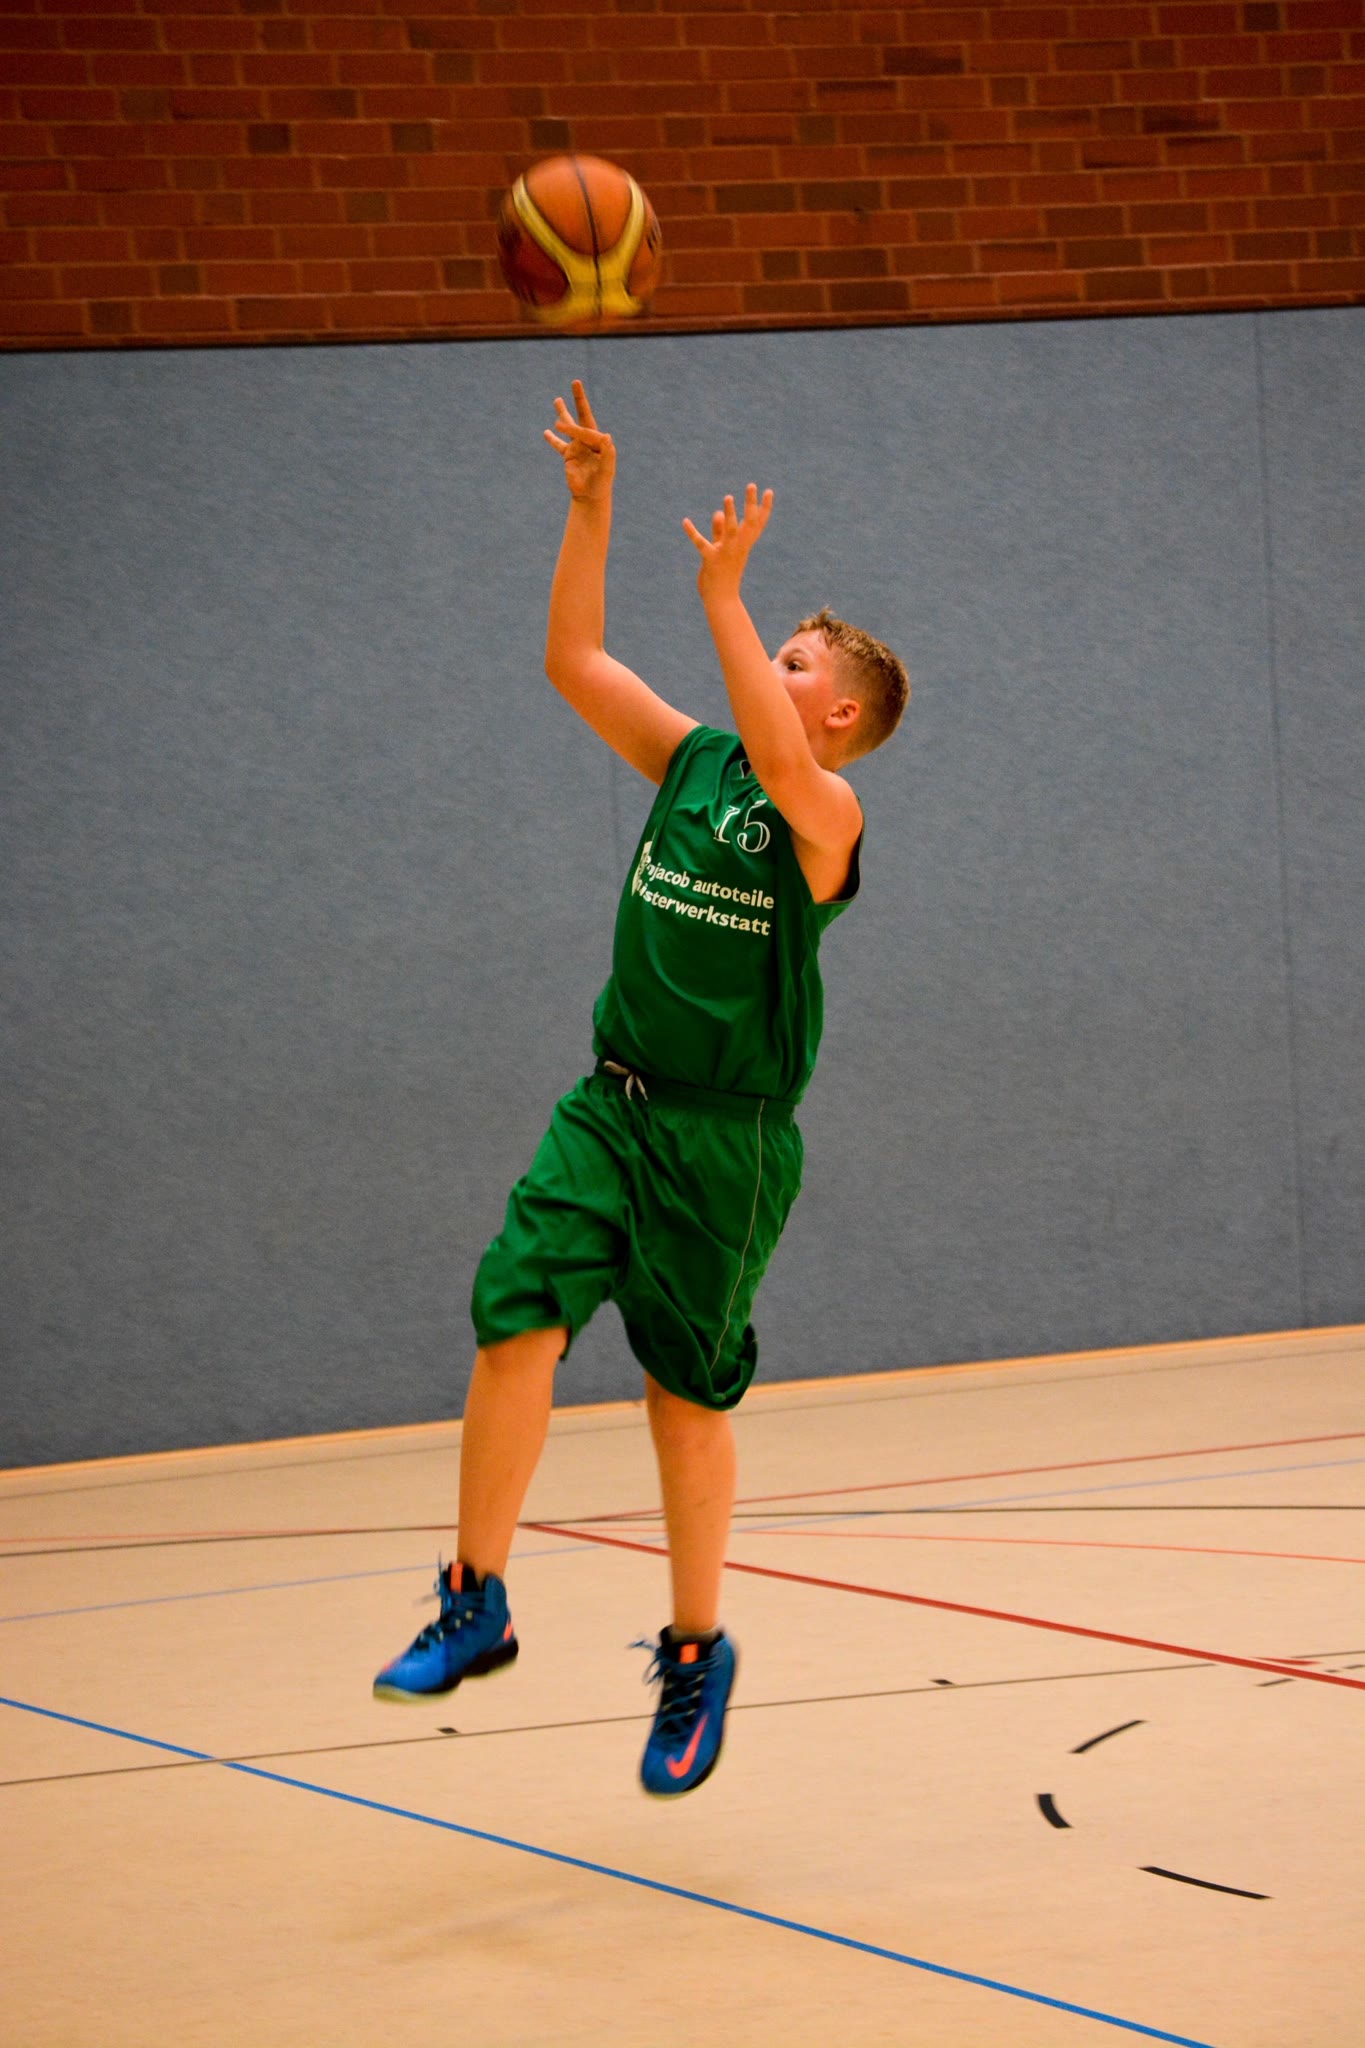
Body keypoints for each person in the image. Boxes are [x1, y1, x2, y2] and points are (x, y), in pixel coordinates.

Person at [373, 379, 909, 1797]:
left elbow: (778, 753)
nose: (770, 669)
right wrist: (592, 505)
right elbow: (573, 659)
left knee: (685, 1396)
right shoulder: (689, 760)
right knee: (515, 1317)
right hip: (609, 1106)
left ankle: (693, 1650)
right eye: (771, 647)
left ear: (840, 711)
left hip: (726, 1142)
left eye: (794, 660)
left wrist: (724, 597)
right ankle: (476, 1597)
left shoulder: (826, 813)